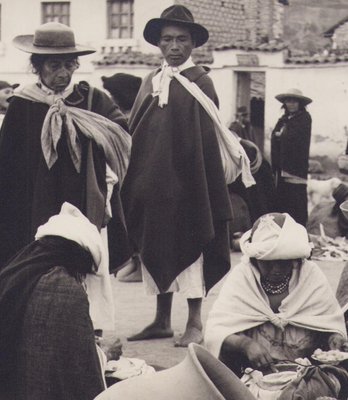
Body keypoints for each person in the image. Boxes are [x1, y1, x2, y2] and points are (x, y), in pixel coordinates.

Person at [121, 5, 252, 347]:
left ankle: (194, 321)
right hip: (153, 188)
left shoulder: (200, 82)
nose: (174, 46)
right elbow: (138, 131)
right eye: (167, 39)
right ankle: (161, 320)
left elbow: (205, 139)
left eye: (181, 39)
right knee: (156, 248)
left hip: (189, 186)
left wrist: (192, 181)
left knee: (192, 250)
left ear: (193, 43)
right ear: (158, 44)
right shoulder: (150, 81)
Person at [0, 22, 132, 277]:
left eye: (69, 64)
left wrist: (90, 129)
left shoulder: (93, 100)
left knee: (81, 269)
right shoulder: (23, 105)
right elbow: (6, 163)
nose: (63, 72)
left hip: (80, 199)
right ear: (37, 67)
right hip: (32, 203)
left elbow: (120, 136)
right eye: (54, 65)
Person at [205, 212, 347, 377]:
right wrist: (245, 344)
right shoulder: (242, 276)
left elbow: (329, 321)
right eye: (268, 263)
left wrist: (334, 338)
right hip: (250, 371)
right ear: (254, 260)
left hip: (305, 372)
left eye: (283, 262)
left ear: (295, 259)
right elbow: (216, 331)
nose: (276, 270)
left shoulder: (310, 276)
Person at [0, 202, 117, 399]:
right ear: (80, 258)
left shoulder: (14, 276)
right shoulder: (65, 289)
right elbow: (78, 373)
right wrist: (105, 353)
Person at [102, 72, 143, 282]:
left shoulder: (134, 115)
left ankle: (139, 263)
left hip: (135, 176)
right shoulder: (120, 113)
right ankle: (132, 261)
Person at [271, 88, 312, 226]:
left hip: (296, 168)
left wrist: (281, 136)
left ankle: (299, 227)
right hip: (282, 167)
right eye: (288, 101)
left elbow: (296, 138)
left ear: (300, 103)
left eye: (294, 101)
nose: (291, 104)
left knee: (297, 199)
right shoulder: (283, 120)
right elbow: (274, 135)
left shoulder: (304, 119)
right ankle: (284, 228)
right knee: (283, 198)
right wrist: (279, 136)